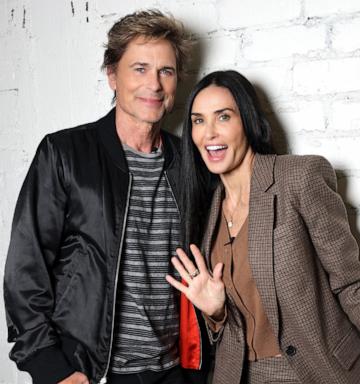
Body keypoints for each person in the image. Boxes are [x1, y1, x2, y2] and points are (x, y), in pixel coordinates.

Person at [4, 10, 209, 384]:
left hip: (174, 373)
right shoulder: (65, 154)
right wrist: (53, 368)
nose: (155, 84)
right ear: (113, 75)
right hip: (92, 373)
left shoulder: (189, 165)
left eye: (166, 71)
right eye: (140, 69)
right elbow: (25, 270)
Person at [166, 70, 360, 384]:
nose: (209, 133)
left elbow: (352, 286)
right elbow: (236, 320)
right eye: (198, 121)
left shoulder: (298, 178)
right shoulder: (208, 207)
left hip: (312, 373)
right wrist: (215, 313)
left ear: (248, 121)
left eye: (223, 117)